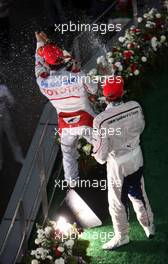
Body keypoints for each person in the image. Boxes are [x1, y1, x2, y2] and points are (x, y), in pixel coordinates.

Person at [92, 76, 154, 250]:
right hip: (136, 155)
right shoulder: (135, 105)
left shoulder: (101, 120)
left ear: (105, 95)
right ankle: (148, 225)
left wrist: (96, 152)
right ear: (122, 92)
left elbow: (101, 156)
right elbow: (141, 127)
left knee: (117, 202)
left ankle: (122, 236)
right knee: (139, 192)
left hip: (118, 164)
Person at [35, 32, 97, 186]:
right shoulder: (78, 76)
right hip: (87, 122)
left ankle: (72, 186)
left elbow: (38, 63)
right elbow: (94, 90)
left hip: (65, 126)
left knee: (68, 156)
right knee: (105, 149)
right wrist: (77, 71)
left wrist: (39, 44)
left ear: (47, 64)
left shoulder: (42, 82)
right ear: (62, 59)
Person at [0, 79, 24, 171]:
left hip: (5, 115)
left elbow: (12, 102)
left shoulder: (3, 88)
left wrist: (7, 98)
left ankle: (18, 157)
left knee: (12, 137)